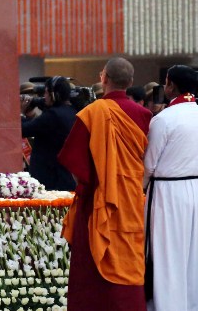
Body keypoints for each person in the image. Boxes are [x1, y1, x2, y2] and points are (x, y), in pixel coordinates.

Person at [57, 57, 152, 311]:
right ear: (130, 82)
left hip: (96, 202)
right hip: (131, 202)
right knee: (129, 259)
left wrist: (93, 186)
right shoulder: (145, 115)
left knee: (91, 278)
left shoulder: (92, 113)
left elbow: (75, 165)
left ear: (104, 78)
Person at [142, 65, 198, 311]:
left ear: (170, 85)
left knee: (167, 255)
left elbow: (149, 165)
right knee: (196, 256)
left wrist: (139, 190)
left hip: (168, 192)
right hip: (197, 190)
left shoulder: (164, 119)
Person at [21, 76, 77, 191]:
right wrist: (31, 115)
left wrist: (21, 113)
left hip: (50, 181)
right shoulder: (72, 112)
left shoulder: (52, 115)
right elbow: (39, 127)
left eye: (46, 93)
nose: (44, 97)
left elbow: (23, 130)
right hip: (65, 177)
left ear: (53, 95)